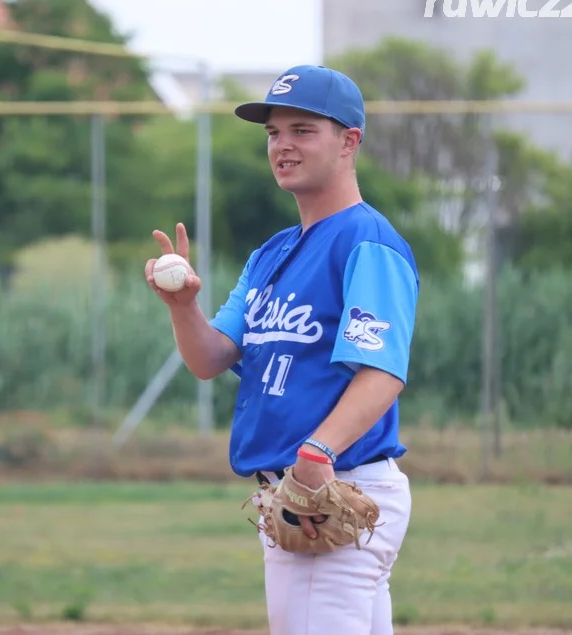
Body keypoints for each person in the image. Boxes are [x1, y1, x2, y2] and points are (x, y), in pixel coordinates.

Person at [145, 64, 419, 635]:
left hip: (337, 488)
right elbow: (210, 357)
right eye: (274, 133)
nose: (283, 146)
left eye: (302, 130)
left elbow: (382, 371)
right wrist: (183, 307)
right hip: (303, 489)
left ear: (349, 141)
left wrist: (315, 455)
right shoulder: (272, 253)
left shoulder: (366, 242)